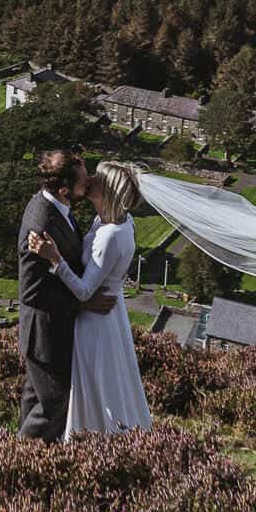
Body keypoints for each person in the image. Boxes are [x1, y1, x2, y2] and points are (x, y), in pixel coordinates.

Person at [29, 159, 154, 437]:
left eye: (98, 177)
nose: (91, 179)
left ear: (107, 191)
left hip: (94, 323)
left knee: (92, 383)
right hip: (108, 313)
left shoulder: (110, 234)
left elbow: (85, 290)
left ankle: (90, 441)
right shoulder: (116, 220)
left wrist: (54, 258)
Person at [14, 150, 117, 440]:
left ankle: (24, 458)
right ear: (64, 189)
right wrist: (83, 302)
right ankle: (24, 458)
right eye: (84, 180)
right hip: (45, 331)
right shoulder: (42, 225)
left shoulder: (56, 205)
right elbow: (32, 292)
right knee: (55, 402)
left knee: (36, 397)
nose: (91, 182)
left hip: (50, 328)